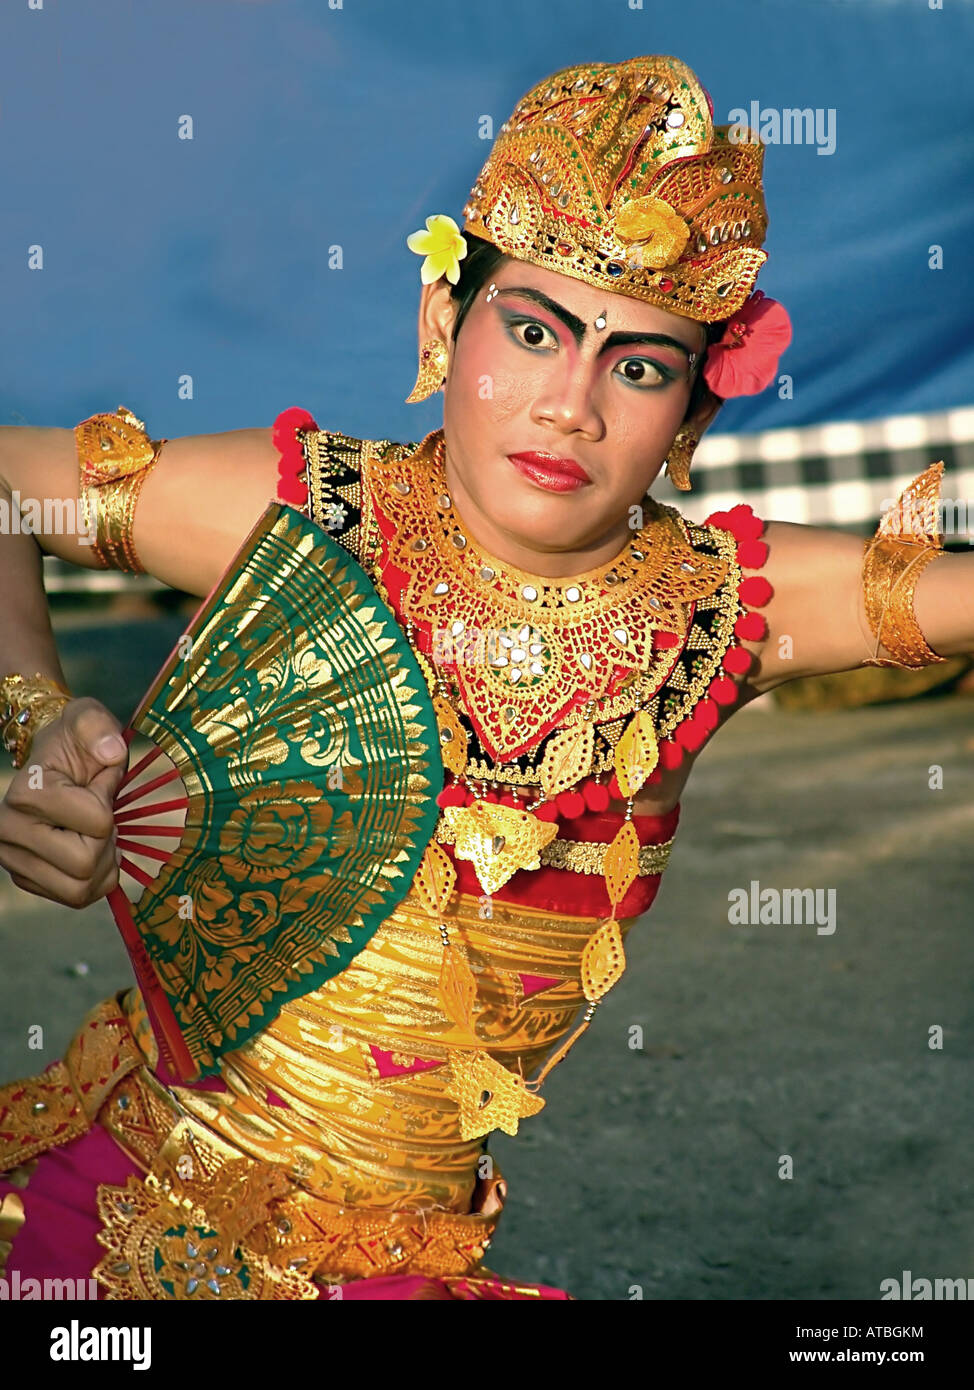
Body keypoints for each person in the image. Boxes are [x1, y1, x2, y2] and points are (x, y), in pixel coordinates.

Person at [0, 54, 970, 1302]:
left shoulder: (722, 610)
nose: (568, 406)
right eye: (531, 331)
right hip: (112, 1209)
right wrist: (36, 715)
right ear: (437, 324)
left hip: (404, 1265)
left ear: (689, 419)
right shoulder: (304, 518)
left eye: (637, 367)